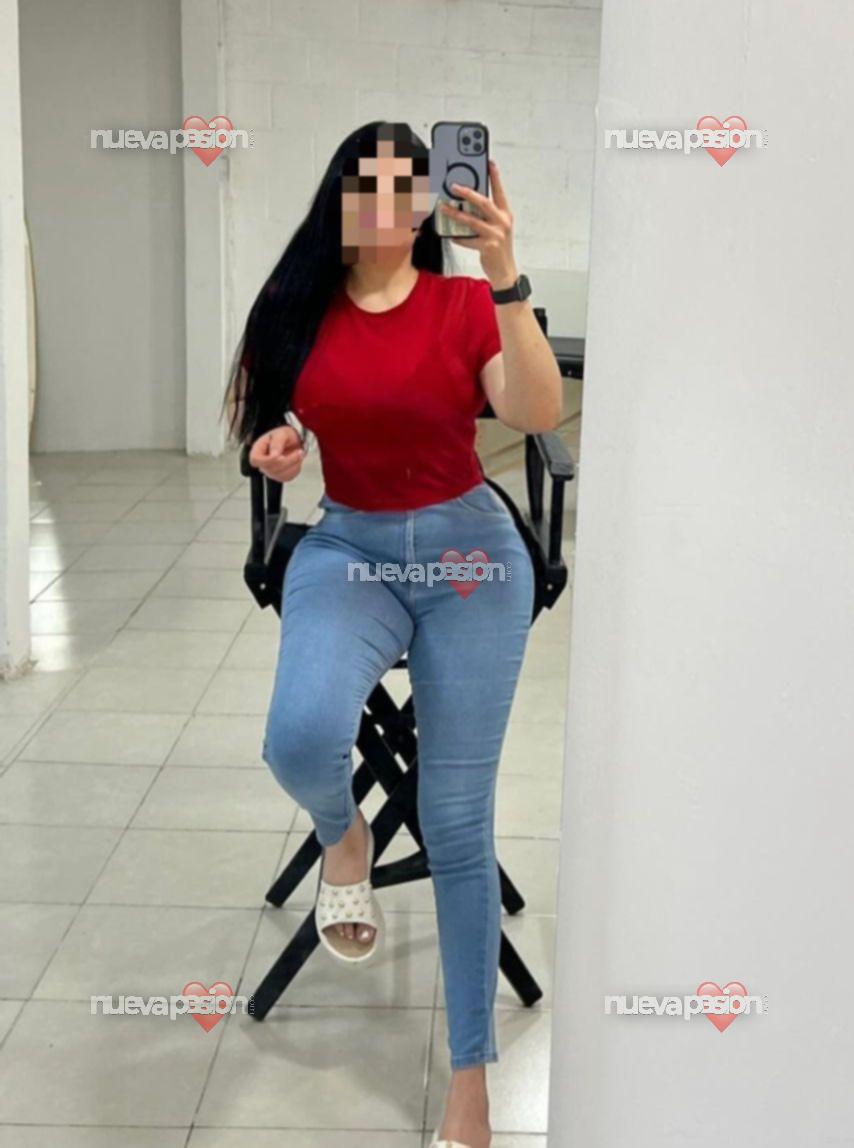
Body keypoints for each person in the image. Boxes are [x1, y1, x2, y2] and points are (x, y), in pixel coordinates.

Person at [224, 121, 561, 1148]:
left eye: (403, 183)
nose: (382, 200)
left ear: (426, 204)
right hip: (351, 545)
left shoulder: (465, 304)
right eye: (361, 182)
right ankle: (345, 836)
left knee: (457, 821)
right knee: (297, 738)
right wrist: (276, 446)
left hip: (469, 556)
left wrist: (504, 273)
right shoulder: (299, 307)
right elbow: (271, 424)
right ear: (338, 197)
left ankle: (471, 1079)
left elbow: (536, 408)